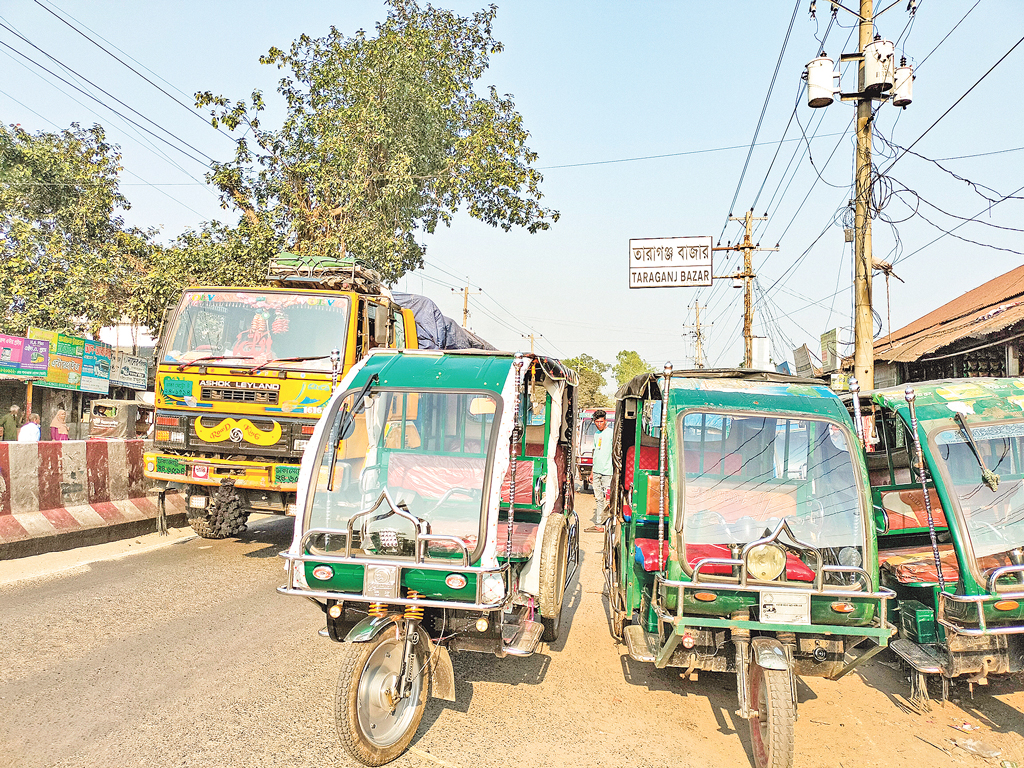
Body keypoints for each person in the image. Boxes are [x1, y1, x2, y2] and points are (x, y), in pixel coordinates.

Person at [587, 410, 613, 532]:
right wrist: (592, 472)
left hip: (608, 472)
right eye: (597, 422)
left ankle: (608, 524)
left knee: (608, 499)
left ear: (605, 421)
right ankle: (599, 524)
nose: (599, 424)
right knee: (598, 498)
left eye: (601, 421)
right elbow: (596, 453)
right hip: (596, 471)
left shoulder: (611, 433)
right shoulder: (597, 434)